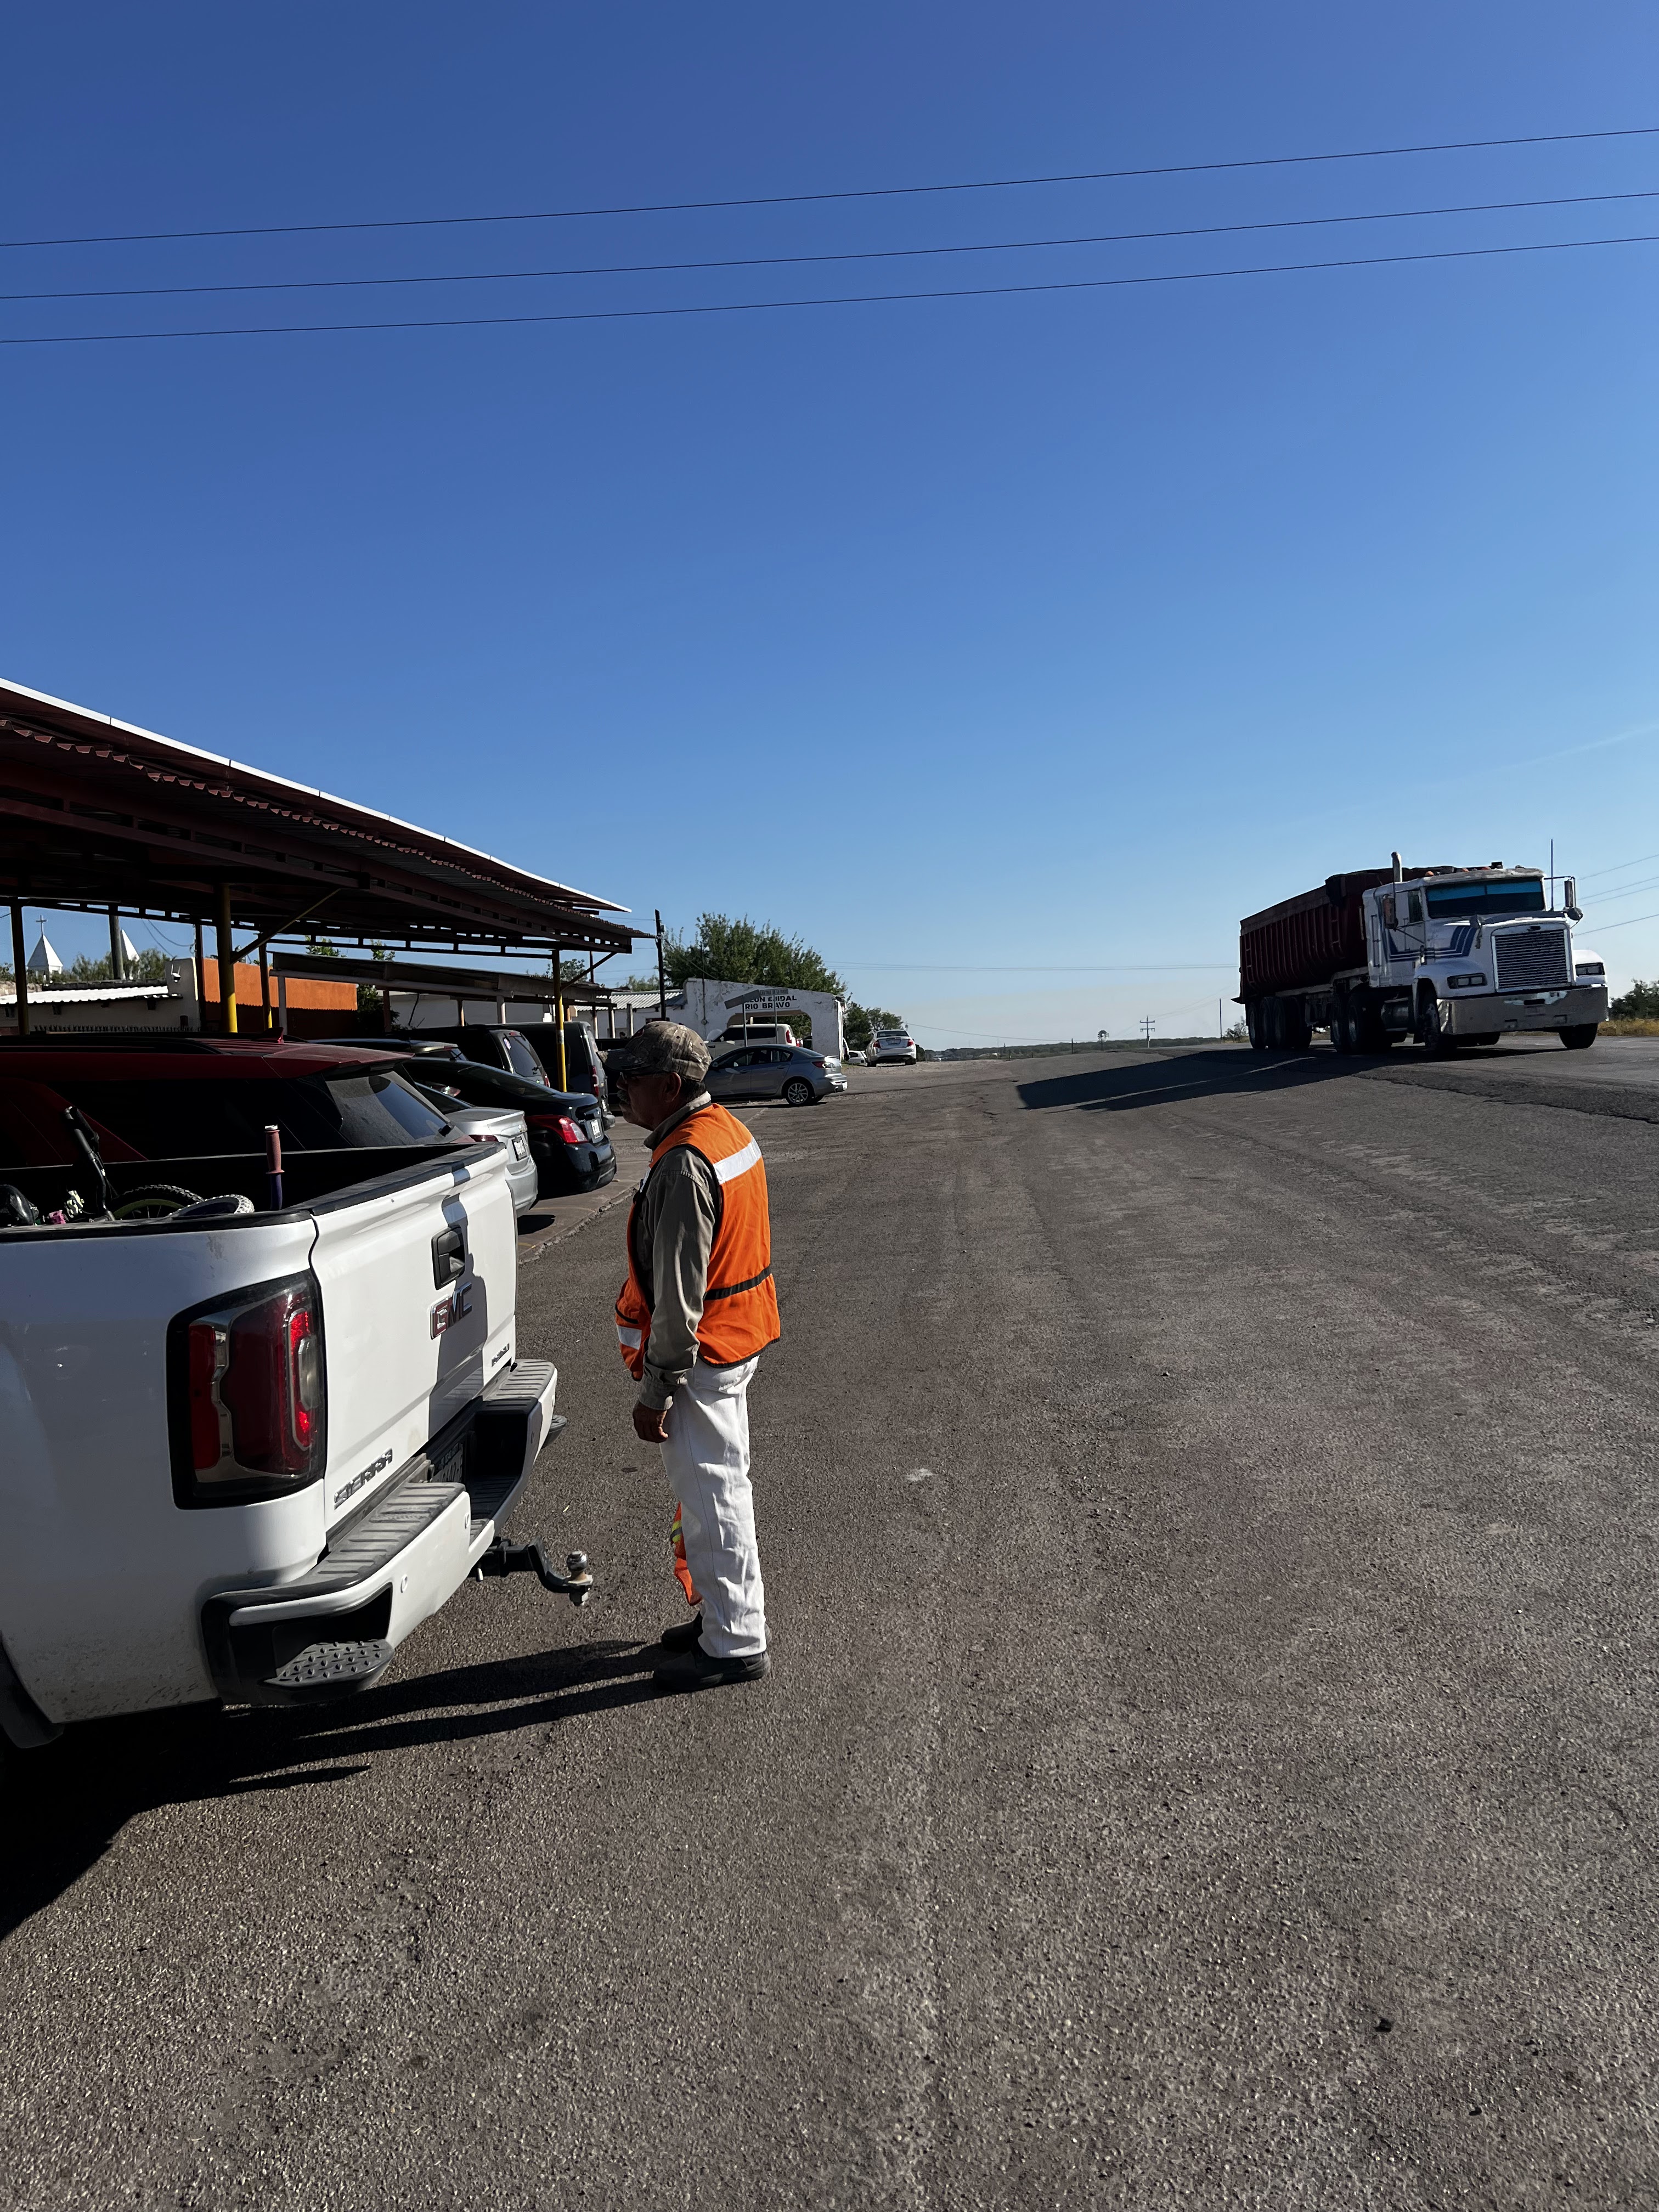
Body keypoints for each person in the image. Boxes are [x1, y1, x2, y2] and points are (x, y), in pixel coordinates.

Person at [609, 1021, 781, 1691]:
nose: (620, 1088)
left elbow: (679, 1302)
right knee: (713, 1491)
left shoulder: (684, 1163)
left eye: (633, 1078)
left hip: (701, 1356)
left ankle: (735, 1640)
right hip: (734, 1339)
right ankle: (720, 1616)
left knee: (713, 1497)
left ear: (670, 1086)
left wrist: (655, 1392)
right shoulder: (723, 1130)